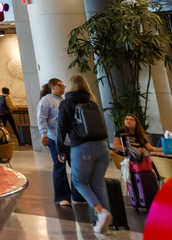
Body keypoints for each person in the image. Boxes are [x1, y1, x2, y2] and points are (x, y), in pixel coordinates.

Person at [58, 74, 112, 235]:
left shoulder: (66, 103)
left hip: (82, 147)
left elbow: (61, 128)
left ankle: (101, 213)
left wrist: (60, 150)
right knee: (97, 183)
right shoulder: (91, 102)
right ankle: (103, 223)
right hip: (102, 146)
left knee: (79, 182)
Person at [37, 77, 80, 207]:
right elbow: (42, 118)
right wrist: (43, 134)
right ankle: (62, 196)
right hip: (54, 138)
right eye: (60, 85)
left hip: (68, 139)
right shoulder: (46, 100)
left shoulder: (64, 101)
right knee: (59, 166)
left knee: (76, 167)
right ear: (52, 87)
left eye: (63, 86)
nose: (63, 88)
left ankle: (78, 194)